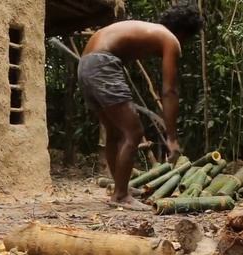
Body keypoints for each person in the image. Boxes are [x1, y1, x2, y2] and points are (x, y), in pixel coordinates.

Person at [78, 5, 203, 210]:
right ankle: (120, 195)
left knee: (114, 131)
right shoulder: (170, 39)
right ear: (183, 33)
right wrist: (171, 138)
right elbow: (170, 91)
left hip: (85, 64)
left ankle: (120, 187)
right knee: (133, 132)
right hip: (102, 64)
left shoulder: (148, 30)